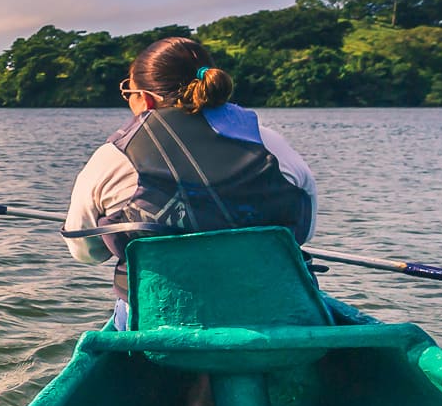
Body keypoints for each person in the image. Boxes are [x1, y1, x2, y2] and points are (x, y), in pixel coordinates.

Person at [64, 36, 317, 331]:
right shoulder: (272, 144)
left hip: (160, 325)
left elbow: (85, 252)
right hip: (279, 315)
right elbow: (306, 231)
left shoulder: (113, 158)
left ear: (145, 99)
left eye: (127, 92)